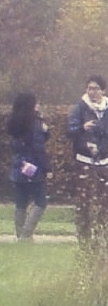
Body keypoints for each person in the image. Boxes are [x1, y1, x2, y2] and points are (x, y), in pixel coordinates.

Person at [8, 92, 48, 240]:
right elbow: (38, 147)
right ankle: (26, 234)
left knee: (21, 202)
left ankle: (20, 234)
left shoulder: (14, 123)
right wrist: (46, 167)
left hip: (19, 164)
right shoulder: (35, 124)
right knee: (40, 201)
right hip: (33, 166)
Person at [67, 75, 108, 166]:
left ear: (103, 91)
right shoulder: (79, 108)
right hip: (84, 159)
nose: (92, 92)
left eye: (96, 89)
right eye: (90, 89)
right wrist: (82, 128)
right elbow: (69, 131)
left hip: (106, 159)